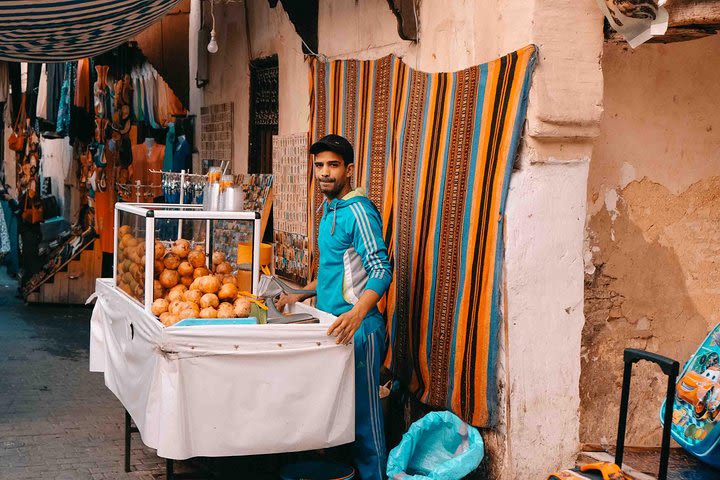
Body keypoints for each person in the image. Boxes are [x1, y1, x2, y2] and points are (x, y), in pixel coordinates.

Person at [276, 134, 392, 479]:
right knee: (339, 415)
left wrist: (357, 315)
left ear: (349, 169)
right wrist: (301, 294)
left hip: (360, 329)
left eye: (333, 165)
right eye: (319, 165)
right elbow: (333, 271)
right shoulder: (328, 210)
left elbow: (381, 270)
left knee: (364, 417)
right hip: (332, 328)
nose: (324, 172)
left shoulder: (359, 211)